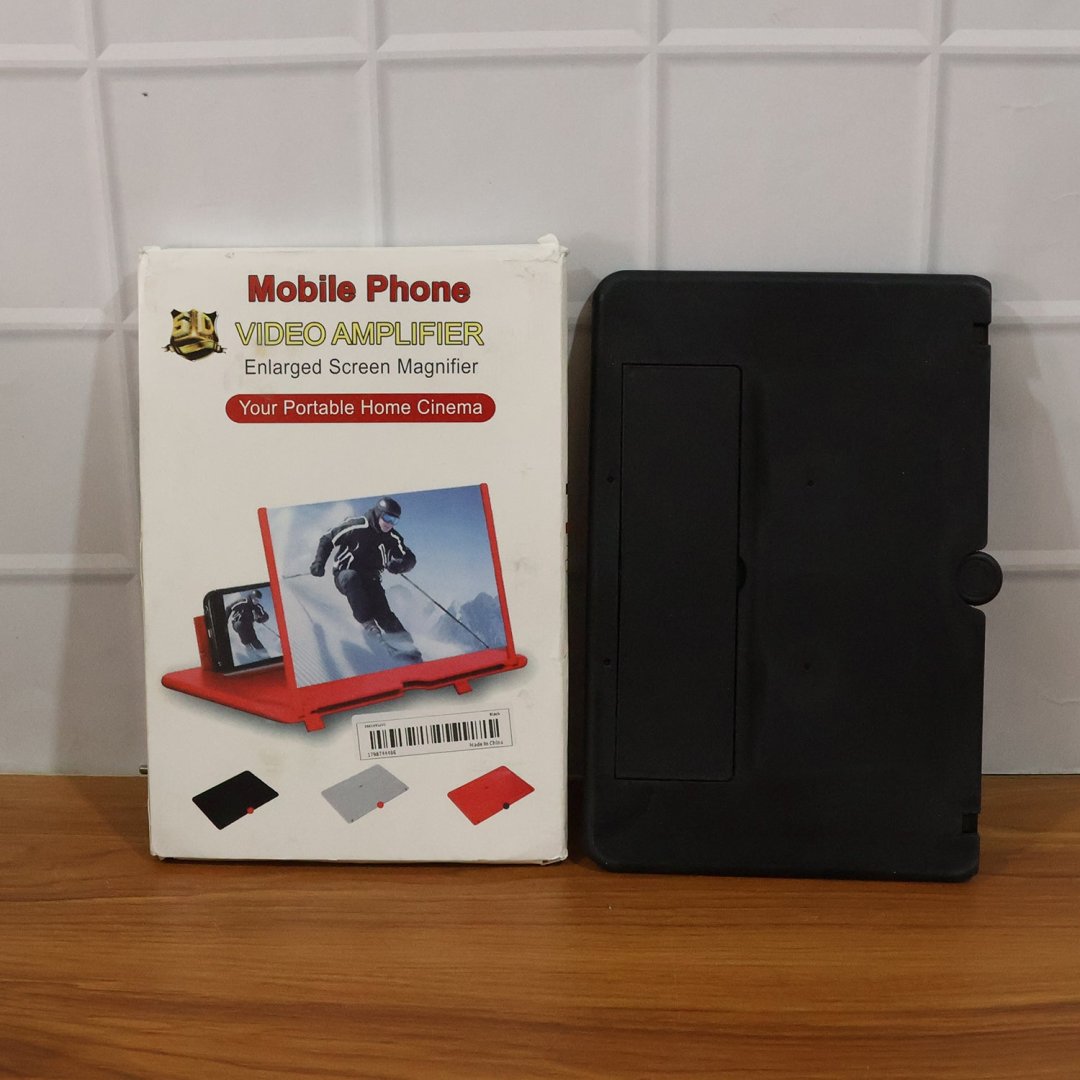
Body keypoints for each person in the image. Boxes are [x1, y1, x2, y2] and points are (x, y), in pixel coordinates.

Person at [309, 496, 423, 665]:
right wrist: (319, 562)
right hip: (345, 574)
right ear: (378, 513)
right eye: (387, 518)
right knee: (352, 578)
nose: (390, 524)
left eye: (395, 521)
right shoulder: (357, 525)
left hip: (371, 579)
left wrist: (399, 565)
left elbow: (409, 558)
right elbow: (327, 539)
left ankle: (408, 647)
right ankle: (370, 627)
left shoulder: (392, 537)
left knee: (384, 614)